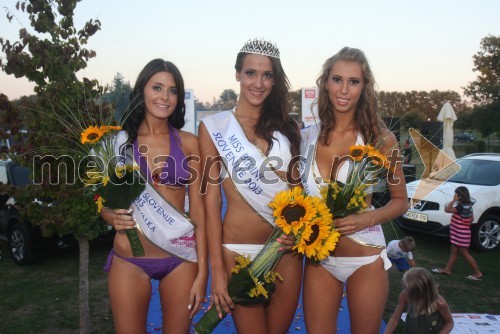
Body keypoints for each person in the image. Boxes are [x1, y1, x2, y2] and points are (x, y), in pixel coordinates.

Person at [299, 47, 408, 334]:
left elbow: (400, 202)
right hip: (319, 259)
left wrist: (366, 218)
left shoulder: (380, 138)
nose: (344, 89)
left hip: (365, 258)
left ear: (364, 87)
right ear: (325, 83)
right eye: (337, 79)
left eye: (354, 81)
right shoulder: (305, 138)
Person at [198, 38, 302, 333]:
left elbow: (299, 194)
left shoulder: (289, 128)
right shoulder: (214, 128)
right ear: (237, 74)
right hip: (238, 251)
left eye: (267, 75)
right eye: (250, 73)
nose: (259, 83)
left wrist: (300, 234)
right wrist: (217, 271)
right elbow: (211, 202)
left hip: (285, 249)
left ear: (275, 80)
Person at [100, 59, 207, 334]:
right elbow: (101, 200)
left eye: (173, 91)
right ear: (141, 91)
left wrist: (203, 272)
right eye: (157, 87)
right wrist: (110, 216)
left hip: (180, 260)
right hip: (129, 261)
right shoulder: (118, 143)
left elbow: (199, 214)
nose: (165, 97)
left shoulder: (190, 143)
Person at [432, 186, 483, 281]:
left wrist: (453, 201)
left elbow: (447, 209)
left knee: (465, 253)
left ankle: (477, 273)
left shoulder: (460, 206)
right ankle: (448, 269)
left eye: (455, 194)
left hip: (460, 234)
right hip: (462, 233)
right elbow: (471, 219)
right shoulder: (469, 205)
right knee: (454, 250)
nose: (454, 195)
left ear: (459, 196)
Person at [384, 267, 454, 334]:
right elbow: (395, 318)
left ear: (419, 293)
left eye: (408, 290)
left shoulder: (439, 303)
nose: (405, 291)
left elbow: (449, 323)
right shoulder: (405, 295)